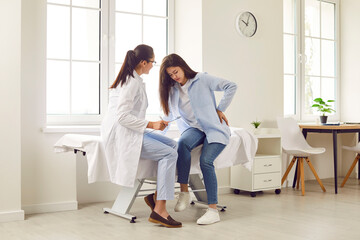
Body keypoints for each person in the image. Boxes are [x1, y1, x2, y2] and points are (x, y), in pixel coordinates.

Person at [101, 45, 181, 228]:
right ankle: (160, 209)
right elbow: (122, 116)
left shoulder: (134, 80)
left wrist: (152, 123)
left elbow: (131, 114)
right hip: (124, 135)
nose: (153, 66)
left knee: (173, 146)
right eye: (153, 62)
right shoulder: (131, 83)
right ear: (143, 62)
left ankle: (155, 196)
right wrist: (152, 125)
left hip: (132, 131)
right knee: (169, 154)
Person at [159, 53, 237, 225]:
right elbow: (169, 114)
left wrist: (219, 109)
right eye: (170, 75)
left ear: (183, 66)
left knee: (206, 162)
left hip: (213, 128)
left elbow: (231, 86)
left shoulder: (202, 79)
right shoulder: (173, 89)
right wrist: (160, 134)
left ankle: (213, 210)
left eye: (176, 72)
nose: (174, 76)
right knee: (182, 144)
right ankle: (184, 193)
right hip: (193, 129)